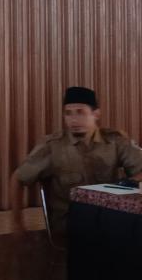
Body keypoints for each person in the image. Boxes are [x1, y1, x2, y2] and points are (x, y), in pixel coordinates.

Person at [12, 86, 142, 238]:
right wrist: (17, 223)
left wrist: (128, 183)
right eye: (68, 113)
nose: (73, 119)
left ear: (96, 114)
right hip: (71, 221)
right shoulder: (53, 146)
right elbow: (17, 179)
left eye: (80, 112)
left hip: (110, 214)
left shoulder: (115, 141)